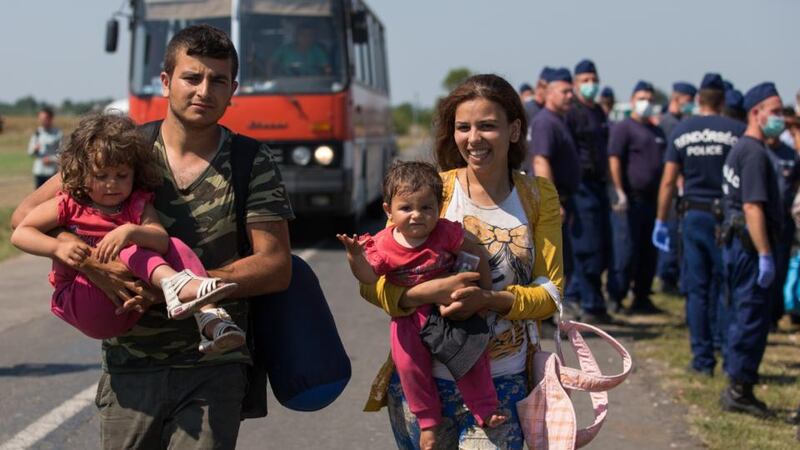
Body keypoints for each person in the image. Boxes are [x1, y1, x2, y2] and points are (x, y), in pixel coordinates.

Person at [11, 24, 294, 449]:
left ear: (233, 89)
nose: (204, 90)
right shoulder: (123, 150)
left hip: (213, 366)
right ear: (165, 82)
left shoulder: (250, 159)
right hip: (130, 367)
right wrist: (92, 265)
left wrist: (178, 288)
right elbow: (26, 217)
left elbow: (274, 266)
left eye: (218, 80)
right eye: (191, 77)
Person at [360, 74, 563, 449]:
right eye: (463, 127)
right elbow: (373, 282)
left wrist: (488, 300)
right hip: (423, 391)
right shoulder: (427, 193)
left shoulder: (538, 196)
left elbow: (551, 292)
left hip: (503, 385)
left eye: (487, 126)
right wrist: (425, 292)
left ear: (514, 130)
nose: (474, 139)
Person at [11, 114, 245, 353]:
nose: (112, 184)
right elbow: (21, 232)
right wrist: (57, 247)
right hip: (81, 298)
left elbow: (161, 240)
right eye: (101, 176)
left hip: (129, 305)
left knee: (173, 244)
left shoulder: (137, 204)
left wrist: (131, 231)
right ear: (82, 173)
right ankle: (174, 284)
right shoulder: (69, 204)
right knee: (131, 252)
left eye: (121, 175)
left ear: (135, 173)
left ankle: (210, 318)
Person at [338, 161, 505, 450]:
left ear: (438, 208)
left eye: (426, 208)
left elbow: (475, 252)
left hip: (449, 313)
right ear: (389, 210)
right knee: (409, 367)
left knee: (471, 356)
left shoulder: (446, 232)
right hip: (408, 319)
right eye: (406, 208)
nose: (417, 216)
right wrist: (355, 257)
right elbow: (367, 277)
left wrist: (484, 295)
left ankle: (485, 409)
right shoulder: (382, 244)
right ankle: (428, 423)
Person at [653, 73, 746, 376]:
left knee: (696, 288)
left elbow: (668, 181)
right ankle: (723, 346)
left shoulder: (682, 130)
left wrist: (660, 220)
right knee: (724, 285)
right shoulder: (737, 131)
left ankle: (702, 359)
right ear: (721, 100)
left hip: (692, 216)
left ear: (699, 100)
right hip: (727, 218)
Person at [719, 82, 784, 417]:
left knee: (741, 313)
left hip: (737, 245)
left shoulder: (742, 148)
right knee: (751, 316)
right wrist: (765, 254)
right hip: (749, 247)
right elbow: (753, 208)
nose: (781, 118)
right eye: (775, 111)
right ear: (755, 113)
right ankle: (740, 388)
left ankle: (736, 380)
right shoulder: (755, 153)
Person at [607, 80, 666, 314]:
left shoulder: (656, 131)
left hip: (652, 201)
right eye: (642, 98)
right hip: (630, 199)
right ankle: (616, 296)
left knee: (647, 252)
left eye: (651, 100)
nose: (646, 103)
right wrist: (619, 191)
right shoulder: (623, 128)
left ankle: (642, 296)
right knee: (625, 251)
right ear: (632, 100)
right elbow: (615, 159)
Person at [563, 59, 613, 321]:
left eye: (593, 80)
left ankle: (595, 301)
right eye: (585, 81)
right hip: (581, 187)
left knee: (602, 246)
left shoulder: (598, 113)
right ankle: (581, 300)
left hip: (598, 185)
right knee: (586, 246)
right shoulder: (572, 113)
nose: (590, 85)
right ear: (575, 84)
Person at [765, 128, 800, 329]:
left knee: (780, 269)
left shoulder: (790, 154)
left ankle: (775, 314)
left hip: (784, 221)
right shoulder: (758, 151)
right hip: (761, 219)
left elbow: (795, 184)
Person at [28, 107, 63, 188]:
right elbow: (30, 153)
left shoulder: (58, 134)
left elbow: (62, 154)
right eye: (40, 118)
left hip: (52, 173)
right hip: (39, 172)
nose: (42, 121)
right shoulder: (37, 133)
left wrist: (51, 159)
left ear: (51, 118)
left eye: (44, 118)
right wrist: (34, 150)